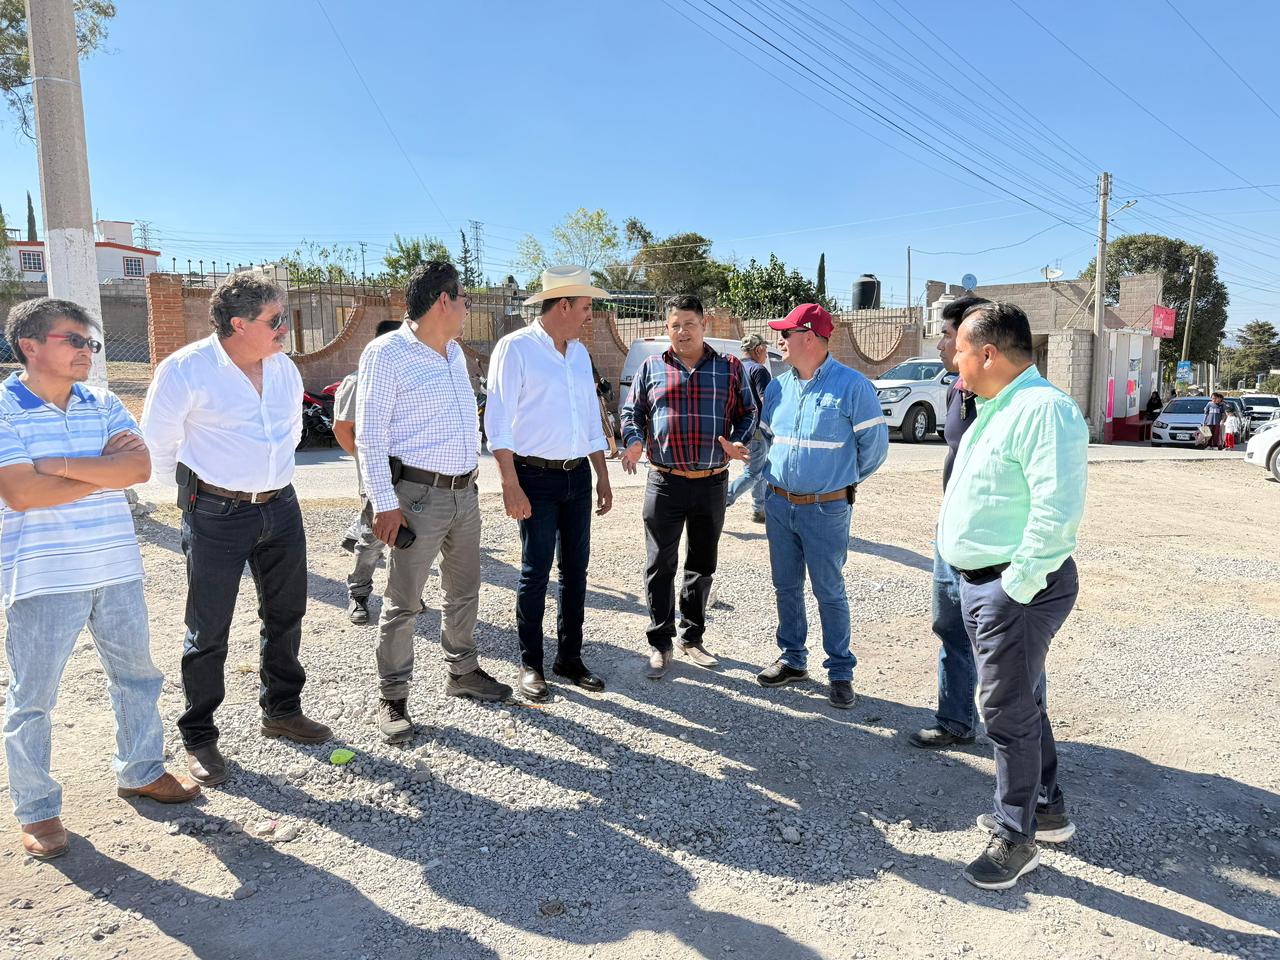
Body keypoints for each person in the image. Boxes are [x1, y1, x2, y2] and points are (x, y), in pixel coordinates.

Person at [0, 298, 200, 859]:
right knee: (33, 698)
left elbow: (137, 470)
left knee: (137, 677)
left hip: (115, 567)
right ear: (31, 346)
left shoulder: (104, 401)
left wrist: (59, 465)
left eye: (91, 342)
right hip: (43, 576)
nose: (87, 350)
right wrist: (98, 470)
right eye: (75, 341)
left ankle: (140, 769)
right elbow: (18, 492)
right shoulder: (5, 409)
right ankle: (37, 810)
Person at [142, 272, 332, 788]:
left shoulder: (285, 370)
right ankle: (199, 735)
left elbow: (291, 431)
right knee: (209, 630)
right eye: (277, 320)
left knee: (287, 611)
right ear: (238, 323)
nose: (285, 330)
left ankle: (281, 709)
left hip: (281, 507)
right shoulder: (186, 370)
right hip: (216, 514)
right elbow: (156, 445)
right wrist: (187, 501)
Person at [938, 301, 1088, 891]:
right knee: (1020, 701)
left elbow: (1056, 515)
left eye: (959, 352)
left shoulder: (1044, 410)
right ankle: (1046, 809)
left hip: (1016, 587)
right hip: (986, 582)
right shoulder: (998, 405)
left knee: (1004, 712)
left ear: (989, 354)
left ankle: (1015, 835)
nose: (955, 363)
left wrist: (1011, 590)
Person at [356, 262, 512, 742]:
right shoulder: (387, 354)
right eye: (464, 298)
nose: (468, 306)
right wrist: (384, 504)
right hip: (416, 497)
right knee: (404, 603)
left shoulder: (453, 354)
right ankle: (393, 697)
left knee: (464, 591)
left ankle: (461, 672)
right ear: (443, 300)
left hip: (464, 493)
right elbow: (369, 436)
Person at [485, 265, 613, 702]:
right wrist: (510, 483)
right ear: (563, 306)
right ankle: (531, 665)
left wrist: (602, 474)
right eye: (585, 306)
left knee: (575, 572)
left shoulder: (578, 353)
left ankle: (569, 658)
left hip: (576, 476)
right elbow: (497, 422)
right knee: (535, 572)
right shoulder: (515, 349)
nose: (589, 315)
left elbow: (590, 419)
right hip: (534, 477)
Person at [754, 304, 888, 709]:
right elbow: (765, 439)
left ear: (808, 337)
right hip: (779, 505)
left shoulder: (853, 387)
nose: (779, 341)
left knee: (829, 590)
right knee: (786, 587)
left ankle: (840, 671)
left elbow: (874, 451)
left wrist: (835, 482)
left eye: (786, 333)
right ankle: (793, 659)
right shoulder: (778, 387)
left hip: (826, 510)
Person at [620, 295, 756, 680]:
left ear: (704, 325)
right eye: (675, 325)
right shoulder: (651, 367)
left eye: (689, 324)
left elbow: (750, 410)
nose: (682, 332)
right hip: (664, 481)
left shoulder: (729, 368)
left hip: (711, 483)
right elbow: (632, 412)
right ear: (668, 328)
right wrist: (633, 439)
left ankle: (692, 637)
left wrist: (738, 440)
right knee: (660, 563)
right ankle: (660, 642)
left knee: (701, 563)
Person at [908, 295, 991, 749]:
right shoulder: (956, 389)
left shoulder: (1008, 399)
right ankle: (955, 720)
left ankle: (1025, 756)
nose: (940, 343)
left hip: (994, 540)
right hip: (951, 529)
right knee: (951, 627)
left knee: (1008, 649)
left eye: (946, 335)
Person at [332, 317, 420, 625]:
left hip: (412, 476)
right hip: (379, 476)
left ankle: (404, 592)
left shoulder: (413, 376)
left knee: (410, 536)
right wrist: (365, 459)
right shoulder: (359, 380)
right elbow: (343, 429)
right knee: (372, 540)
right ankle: (358, 593)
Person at [724, 333, 773, 523]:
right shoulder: (759, 370)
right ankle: (723, 500)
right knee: (754, 472)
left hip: (740, 427)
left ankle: (759, 510)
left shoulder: (734, 368)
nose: (766, 354)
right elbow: (766, 401)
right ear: (758, 349)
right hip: (758, 428)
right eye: (765, 350)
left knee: (759, 469)